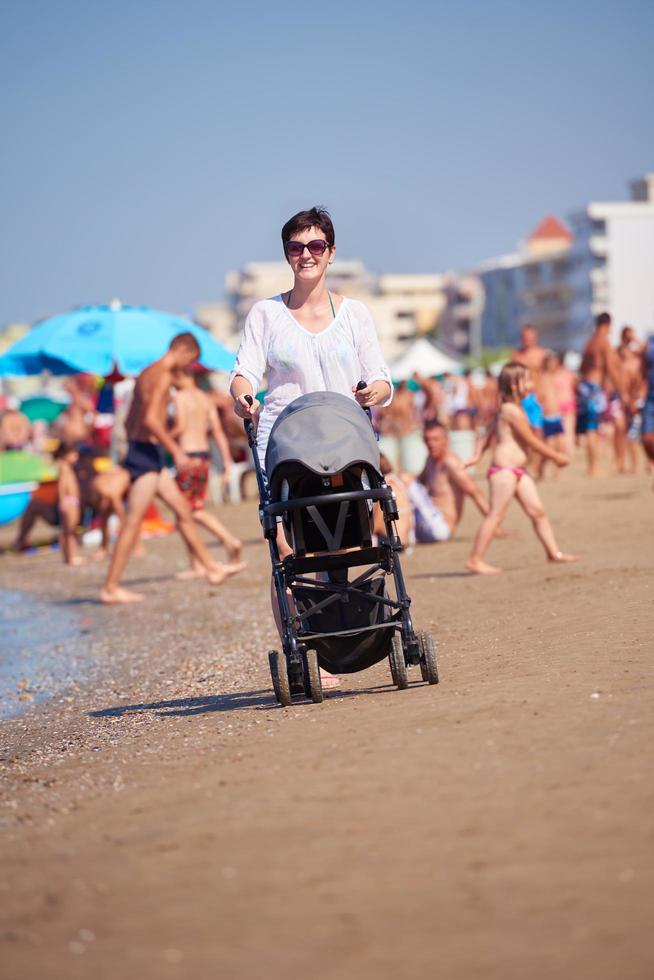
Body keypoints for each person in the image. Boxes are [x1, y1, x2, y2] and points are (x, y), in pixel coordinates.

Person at [230, 206, 392, 688]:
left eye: (315, 246)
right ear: (286, 254)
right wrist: (242, 395)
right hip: (285, 447)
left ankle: (352, 630)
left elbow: (382, 376)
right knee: (287, 551)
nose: (306, 255)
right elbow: (244, 370)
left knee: (347, 541)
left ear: (331, 252)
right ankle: (307, 656)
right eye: (296, 247)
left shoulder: (355, 313)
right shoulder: (266, 313)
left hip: (344, 441)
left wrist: (372, 393)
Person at [101, 333, 245, 604]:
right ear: (183, 350)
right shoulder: (164, 375)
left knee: (183, 511)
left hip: (143, 450)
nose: (188, 367)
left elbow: (139, 418)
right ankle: (110, 587)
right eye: (191, 360)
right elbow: (151, 420)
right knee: (134, 523)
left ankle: (211, 567)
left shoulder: (147, 372)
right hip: (145, 454)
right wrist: (176, 451)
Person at [465, 362, 577, 575]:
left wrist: (477, 455)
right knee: (496, 515)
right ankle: (475, 559)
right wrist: (556, 457)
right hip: (504, 472)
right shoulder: (510, 411)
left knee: (538, 512)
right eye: (527, 380)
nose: (531, 384)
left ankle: (554, 553)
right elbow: (531, 441)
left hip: (518, 472)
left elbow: (487, 433)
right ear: (514, 385)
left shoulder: (510, 409)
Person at [171, 367, 243, 574]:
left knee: (188, 511)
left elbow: (180, 426)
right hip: (203, 457)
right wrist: (227, 461)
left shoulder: (180, 398)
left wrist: (163, 436)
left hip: (187, 456)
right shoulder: (205, 398)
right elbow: (218, 432)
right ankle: (197, 563)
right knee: (190, 510)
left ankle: (228, 541)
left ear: (181, 375)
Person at [413, 420, 491, 541]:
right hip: (427, 522)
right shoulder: (431, 460)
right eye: (427, 439)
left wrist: (493, 525)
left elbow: (475, 493)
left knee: (403, 480)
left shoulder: (450, 463)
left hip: (442, 527)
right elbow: (418, 483)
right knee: (400, 485)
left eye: (435, 439)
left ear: (446, 440)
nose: (431, 443)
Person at [577, 312, 624, 477]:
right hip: (595, 388)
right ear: (608, 325)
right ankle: (594, 467)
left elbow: (582, 367)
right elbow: (611, 368)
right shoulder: (604, 342)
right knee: (595, 428)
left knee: (591, 427)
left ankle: (593, 466)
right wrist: (621, 391)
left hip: (584, 387)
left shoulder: (589, 343)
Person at [617, 326, 646, 474]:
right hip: (634, 400)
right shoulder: (626, 360)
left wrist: (633, 337)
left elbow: (645, 349)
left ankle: (644, 465)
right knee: (635, 436)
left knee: (639, 435)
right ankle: (639, 465)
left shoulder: (637, 359)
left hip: (639, 399)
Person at [537, 352, 567, 479]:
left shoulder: (555, 377)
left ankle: (556, 472)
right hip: (547, 415)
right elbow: (540, 396)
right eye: (551, 363)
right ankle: (541, 468)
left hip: (557, 414)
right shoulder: (542, 377)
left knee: (560, 444)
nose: (553, 365)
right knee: (549, 446)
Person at [552, 352, 577, 458]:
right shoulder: (569, 373)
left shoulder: (553, 374)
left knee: (560, 432)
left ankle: (562, 452)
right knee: (568, 430)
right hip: (568, 402)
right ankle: (568, 452)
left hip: (558, 404)